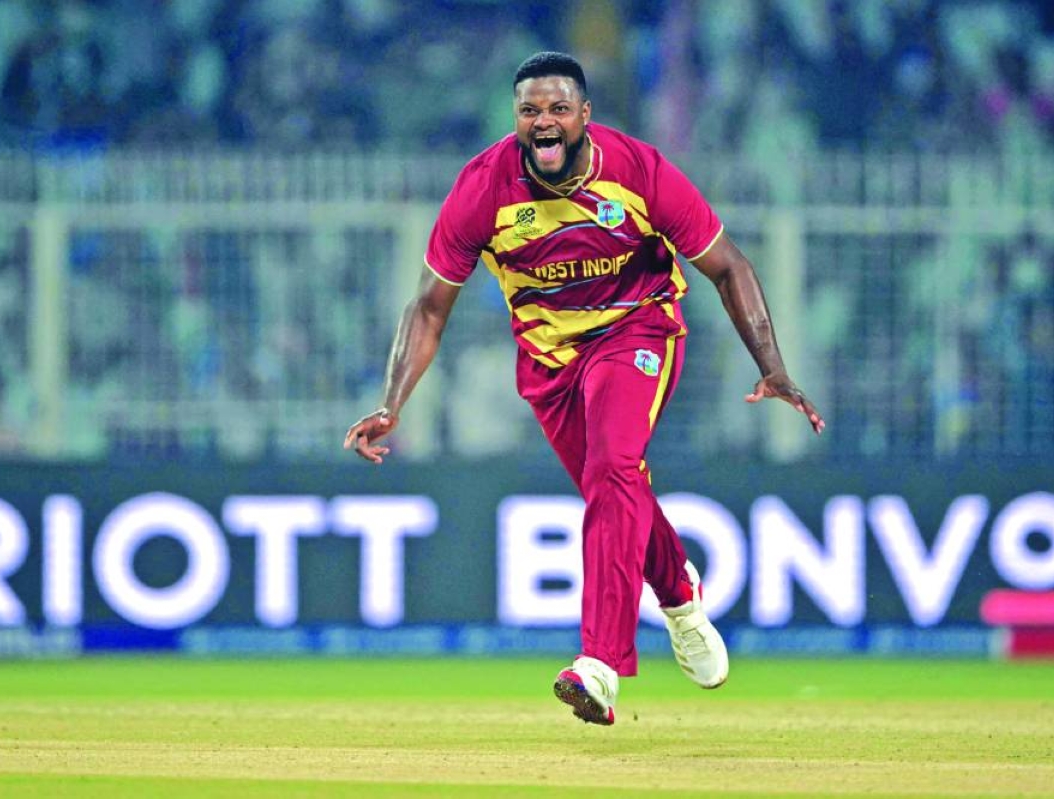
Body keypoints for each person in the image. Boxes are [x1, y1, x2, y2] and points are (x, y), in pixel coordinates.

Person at [344, 51, 824, 726]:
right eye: (530, 111)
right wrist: (393, 401)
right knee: (616, 485)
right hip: (547, 363)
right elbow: (429, 307)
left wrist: (771, 362)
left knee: (612, 467)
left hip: (636, 335)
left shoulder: (639, 172)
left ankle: (599, 665)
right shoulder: (483, 188)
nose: (543, 123)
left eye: (558, 110)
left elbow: (728, 265)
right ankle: (681, 597)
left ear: (585, 117)